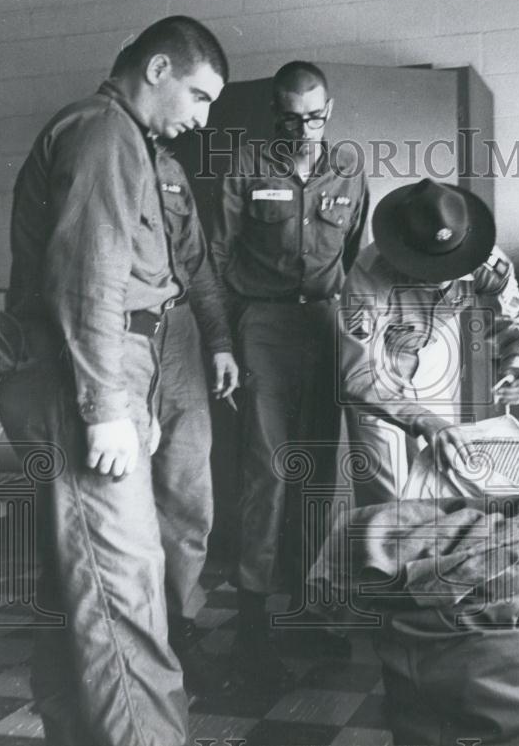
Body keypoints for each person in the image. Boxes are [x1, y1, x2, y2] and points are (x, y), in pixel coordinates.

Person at [0, 16, 227, 746]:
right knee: (125, 596)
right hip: (85, 378)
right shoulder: (103, 132)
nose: (202, 119)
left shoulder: (128, 139)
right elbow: (89, 276)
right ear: (157, 69)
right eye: (198, 96)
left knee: (82, 588)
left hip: (112, 365)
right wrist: (106, 407)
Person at [212, 61, 369, 686]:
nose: (303, 130)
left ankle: (307, 610)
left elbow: (352, 252)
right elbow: (218, 256)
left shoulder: (349, 168)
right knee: (267, 473)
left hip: (324, 327)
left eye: (315, 117)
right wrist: (226, 338)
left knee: (318, 475)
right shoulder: (245, 165)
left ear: (330, 111)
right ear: (273, 114)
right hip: (264, 327)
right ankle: (251, 627)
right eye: (290, 118)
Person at [339, 178, 519, 506]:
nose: (442, 276)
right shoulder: (368, 273)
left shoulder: (486, 261)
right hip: (380, 369)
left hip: (433, 357)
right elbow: (357, 375)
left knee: (440, 479)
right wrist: (422, 419)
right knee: (388, 493)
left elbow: (513, 324)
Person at [151, 149, 239, 696]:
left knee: (188, 494)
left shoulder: (170, 169)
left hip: (180, 334)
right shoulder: (94, 149)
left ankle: (179, 626)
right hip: (117, 335)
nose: (198, 118)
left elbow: (198, 263)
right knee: (118, 499)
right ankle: (127, 635)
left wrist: (220, 342)